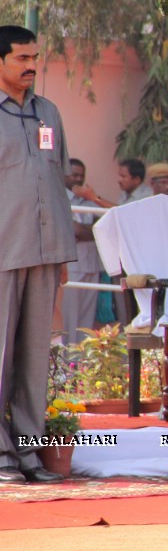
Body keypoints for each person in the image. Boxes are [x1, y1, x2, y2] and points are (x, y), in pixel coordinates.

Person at [0, 25, 76, 484]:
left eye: (35, 57)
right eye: (21, 58)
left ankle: (27, 451)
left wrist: (64, 255)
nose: (31, 66)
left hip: (47, 251)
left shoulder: (48, 113)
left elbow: (59, 180)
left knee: (32, 358)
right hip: (4, 251)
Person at [61, 158, 101, 344]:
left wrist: (85, 231)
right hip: (73, 266)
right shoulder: (58, 197)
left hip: (91, 264)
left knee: (86, 321)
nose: (78, 179)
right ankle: (68, 363)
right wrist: (89, 230)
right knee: (70, 318)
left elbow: (101, 227)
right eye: (74, 175)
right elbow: (73, 228)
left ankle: (82, 365)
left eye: (81, 175)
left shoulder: (88, 199)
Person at [73, 158, 151, 208]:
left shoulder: (147, 196)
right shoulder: (124, 193)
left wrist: (95, 198)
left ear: (136, 179)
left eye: (123, 176)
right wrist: (95, 198)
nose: (119, 180)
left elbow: (122, 213)